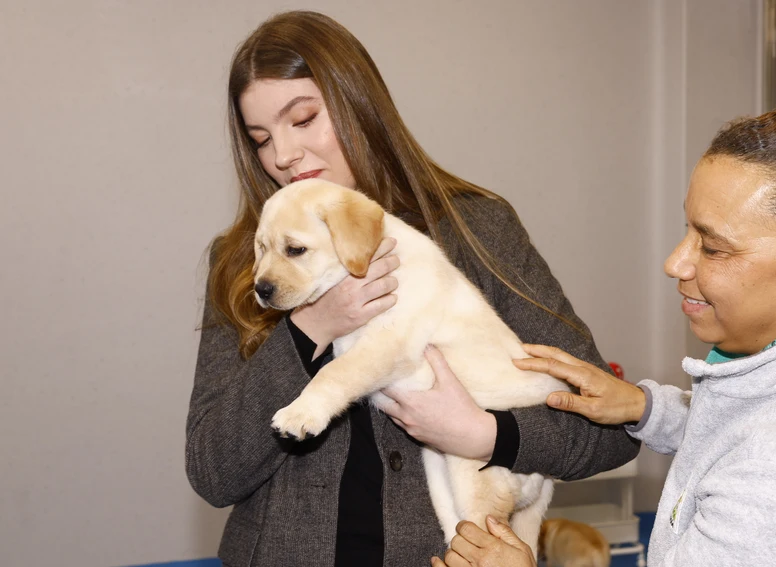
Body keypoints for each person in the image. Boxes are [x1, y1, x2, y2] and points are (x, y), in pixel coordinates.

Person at [436, 102, 776, 567]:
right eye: (689, 230)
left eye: (713, 246)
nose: (675, 263)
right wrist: (645, 408)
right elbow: (755, 427)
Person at [184, 10, 639, 567]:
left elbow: (610, 430)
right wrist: (308, 332)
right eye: (261, 139)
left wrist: (488, 434)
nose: (283, 155)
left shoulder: (476, 227)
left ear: (358, 105)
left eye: (303, 119)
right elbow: (211, 471)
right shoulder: (244, 264)